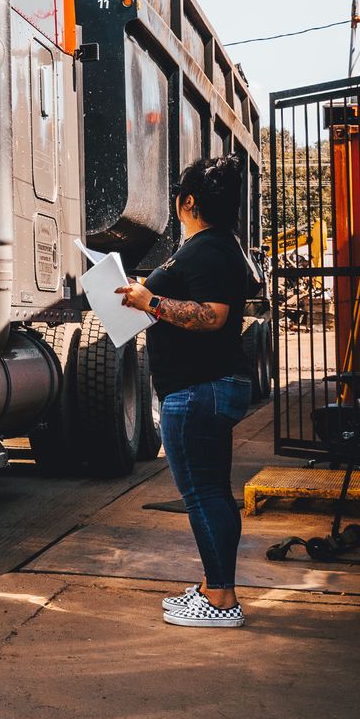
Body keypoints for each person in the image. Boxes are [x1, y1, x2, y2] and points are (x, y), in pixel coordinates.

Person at [114, 155, 254, 629]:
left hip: (198, 389)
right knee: (213, 492)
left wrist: (150, 300)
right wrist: (145, 296)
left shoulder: (209, 248)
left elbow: (212, 315)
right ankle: (216, 585)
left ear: (187, 202)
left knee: (202, 494)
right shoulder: (215, 246)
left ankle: (221, 600)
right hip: (205, 387)